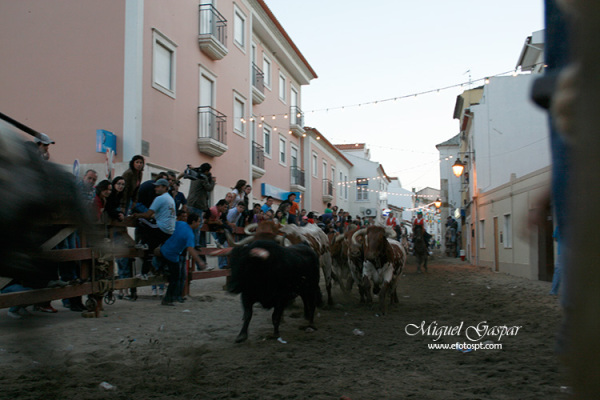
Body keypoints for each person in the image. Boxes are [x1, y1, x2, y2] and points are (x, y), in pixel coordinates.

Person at [152, 212, 206, 306]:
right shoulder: (190, 235)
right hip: (173, 256)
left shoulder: (180, 223)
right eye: (198, 222)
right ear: (193, 222)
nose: (199, 224)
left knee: (170, 273)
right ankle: (168, 299)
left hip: (164, 249)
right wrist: (200, 261)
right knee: (175, 277)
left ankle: (160, 268)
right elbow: (190, 249)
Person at [133, 178, 177, 279]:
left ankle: (142, 242)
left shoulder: (160, 199)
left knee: (141, 220)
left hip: (161, 228)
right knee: (150, 250)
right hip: (169, 231)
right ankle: (144, 273)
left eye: (158, 186)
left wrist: (136, 215)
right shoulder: (170, 199)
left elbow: (148, 214)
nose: (155, 188)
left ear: (165, 188)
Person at [182, 163, 216, 250]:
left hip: (190, 202)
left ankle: (187, 242)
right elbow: (209, 188)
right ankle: (195, 243)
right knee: (197, 225)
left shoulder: (195, 175)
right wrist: (212, 181)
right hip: (197, 204)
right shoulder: (202, 177)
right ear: (206, 171)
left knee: (189, 223)